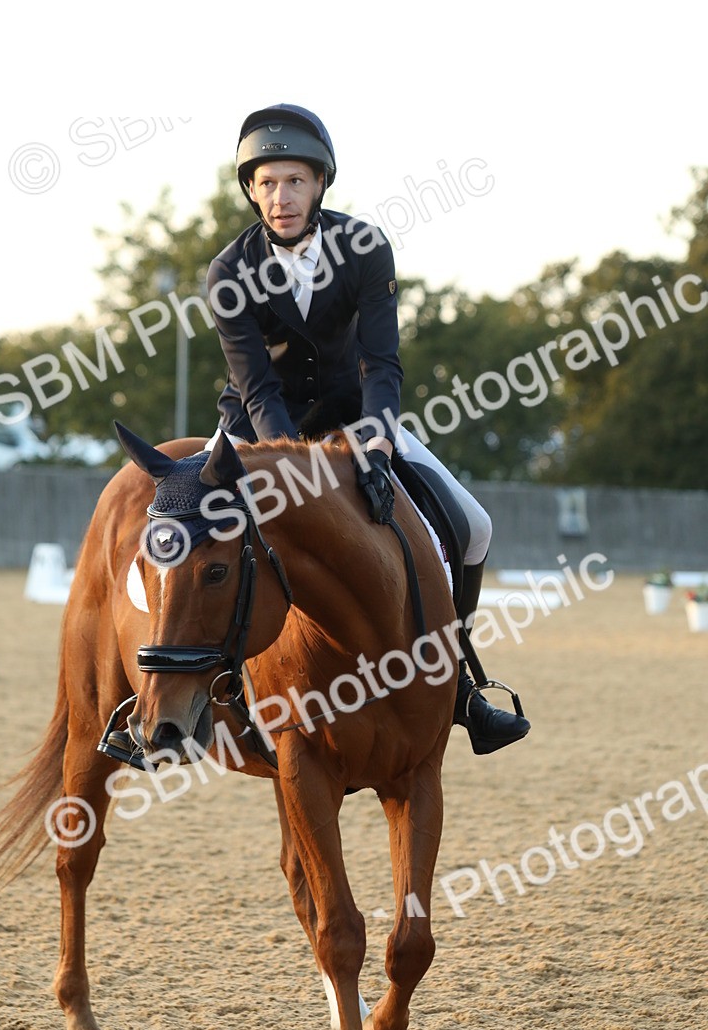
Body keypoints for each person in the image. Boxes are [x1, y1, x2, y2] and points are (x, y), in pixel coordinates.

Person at [201, 103, 530, 756]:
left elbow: (381, 360)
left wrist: (378, 436)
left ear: (320, 183)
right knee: (184, 530)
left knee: (473, 528)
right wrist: (295, 462)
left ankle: (459, 683)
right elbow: (259, 384)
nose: (280, 196)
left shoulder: (365, 246)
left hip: (358, 421)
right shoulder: (228, 272)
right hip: (263, 432)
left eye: (294, 181)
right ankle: (185, 697)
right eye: (266, 183)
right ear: (251, 190)